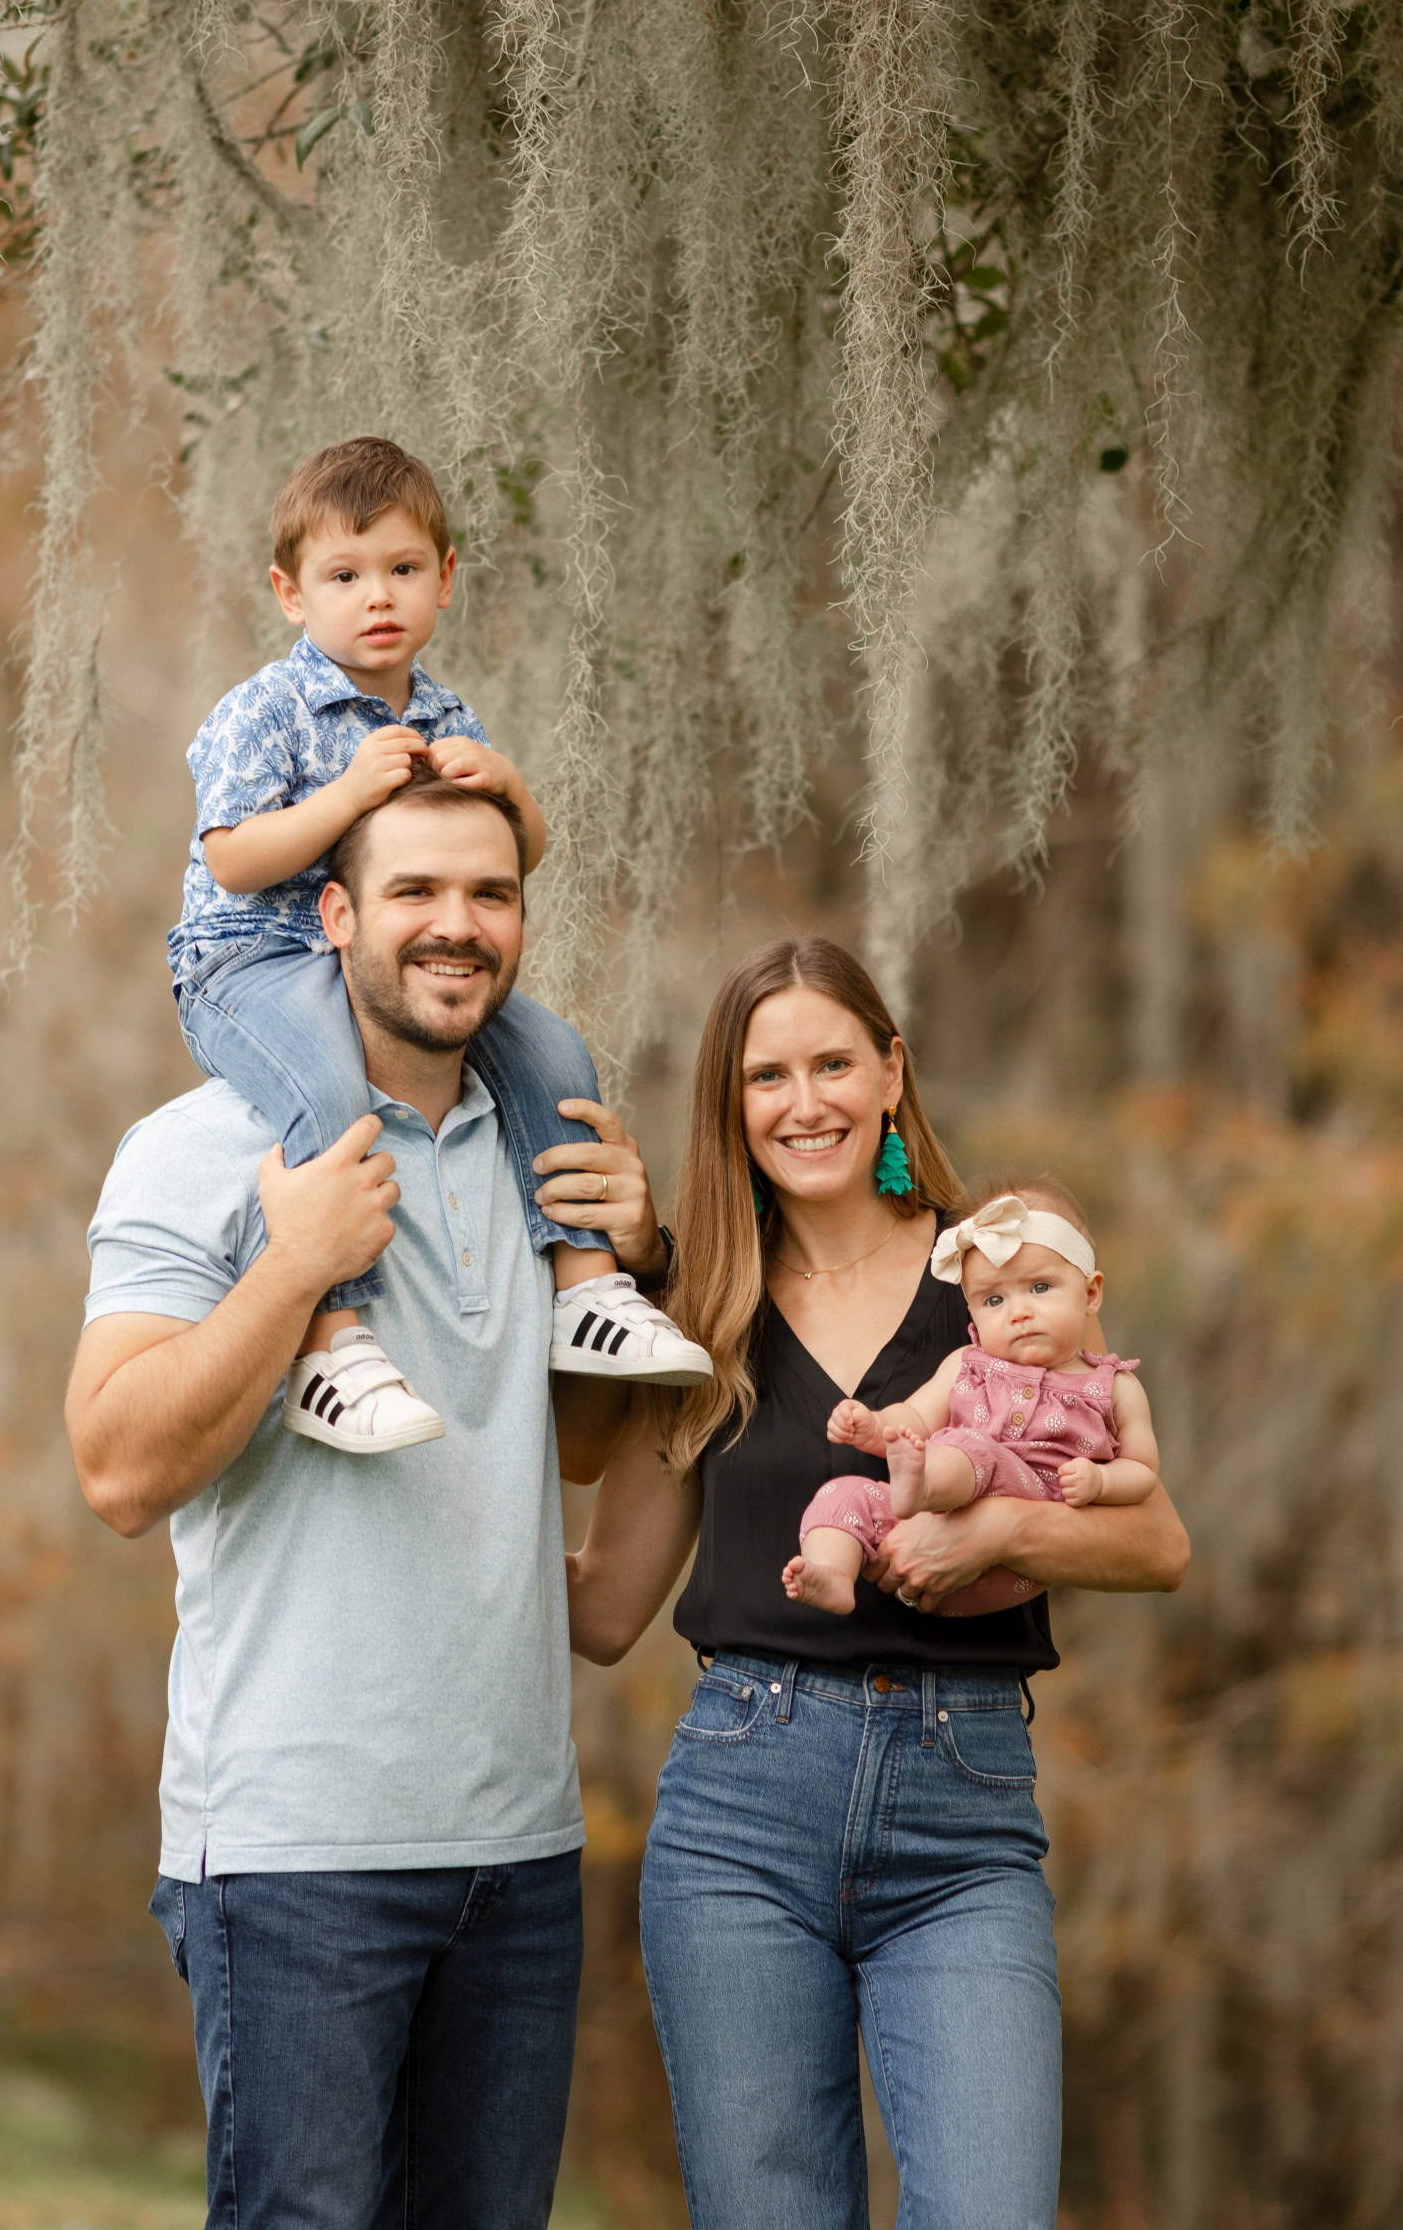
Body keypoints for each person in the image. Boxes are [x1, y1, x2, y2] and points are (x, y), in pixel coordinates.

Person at [66, 767, 674, 2229]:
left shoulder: (547, 1151)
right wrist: (293, 1265)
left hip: (518, 1853)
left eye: (489, 894)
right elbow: (116, 1467)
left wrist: (642, 1264)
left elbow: (575, 1448)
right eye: (414, 891)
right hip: (295, 1854)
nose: (456, 925)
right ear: (333, 916)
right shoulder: (206, 1147)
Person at [567, 937, 1190, 2230]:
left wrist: (994, 1534)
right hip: (739, 1818)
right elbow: (606, 1606)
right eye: (767, 1076)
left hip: (961, 1820)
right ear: (731, 1103)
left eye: (834, 1064)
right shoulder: (703, 1307)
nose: (804, 1104)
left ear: (891, 1072)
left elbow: (1154, 1544)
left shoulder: (996, 1279)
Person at [166, 433, 707, 1452]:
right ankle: (332, 1345)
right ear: (291, 594)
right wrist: (346, 796)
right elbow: (232, 859)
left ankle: (586, 1289)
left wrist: (509, 789)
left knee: (553, 1053)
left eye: (404, 569)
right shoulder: (266, 710)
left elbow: (517, 853)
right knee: (329, 1088)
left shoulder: (448, 713)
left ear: (444, 580)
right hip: (251, 963)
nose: (378, 596)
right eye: (344, 575)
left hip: (386, 965)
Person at [784, 1179, 1158, 1618]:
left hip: (1015, 1548)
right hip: (925, 1543)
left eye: (1040, 1287)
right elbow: (915, 1417)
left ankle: (922, 1485)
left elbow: (1142, 1470)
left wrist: (1101, 1482)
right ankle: (831, 1571)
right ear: (973, 1313)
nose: (1019, 1312)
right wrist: (874, 1426)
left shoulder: (1113, 1387)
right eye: (994, 1299)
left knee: (971, 1446)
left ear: (1090, 1294)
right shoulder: (967, 1364)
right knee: (845, 1494)